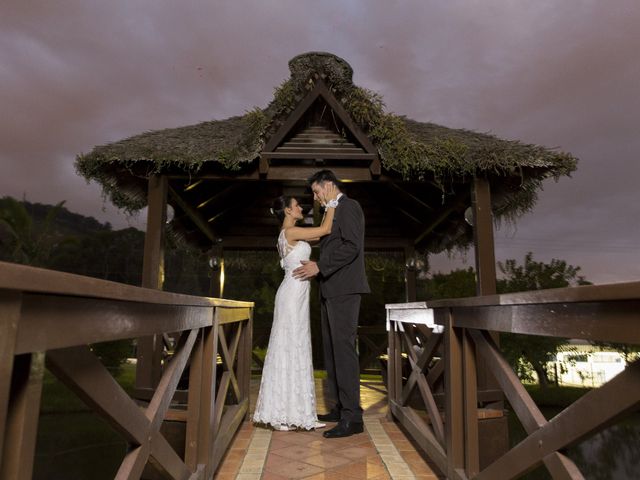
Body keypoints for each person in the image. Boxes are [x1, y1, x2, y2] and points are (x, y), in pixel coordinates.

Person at [253, 185, 338, 431]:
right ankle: (280, 413)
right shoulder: (290, 232)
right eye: (297, 205)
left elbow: (319, 235)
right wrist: (331, 203)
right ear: (288, 211)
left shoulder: (289, 232)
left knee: (294, 347)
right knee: (289, 347)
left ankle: (291, 412)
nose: (301, 207)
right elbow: (325, 230)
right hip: (291, 296)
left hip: (296, 294)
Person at [293, 170, 370, 438]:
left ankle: (353, 418)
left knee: (345, 351)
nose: (315, 197)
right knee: (332, 352)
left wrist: (320, 265)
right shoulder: (330, 213)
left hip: (346, 289)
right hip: (329, 290)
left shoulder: (350, 207)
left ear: (328, 185)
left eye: (316, 191)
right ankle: (340, 407)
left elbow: (352, 246)